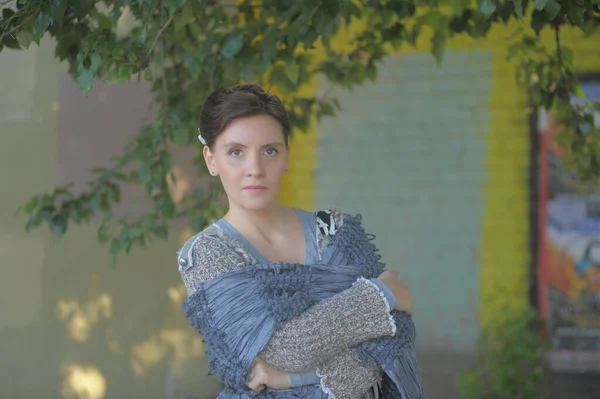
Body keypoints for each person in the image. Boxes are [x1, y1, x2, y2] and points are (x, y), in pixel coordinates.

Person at [177, 84, 417, 398]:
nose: (255, 169)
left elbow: (392, 340)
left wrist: (292, 378)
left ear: (287, 156)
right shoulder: (207, 254)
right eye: (236, 152)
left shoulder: (333, 231)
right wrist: (382, 294)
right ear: (211, 160)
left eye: (270, 151)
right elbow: (277, 353)